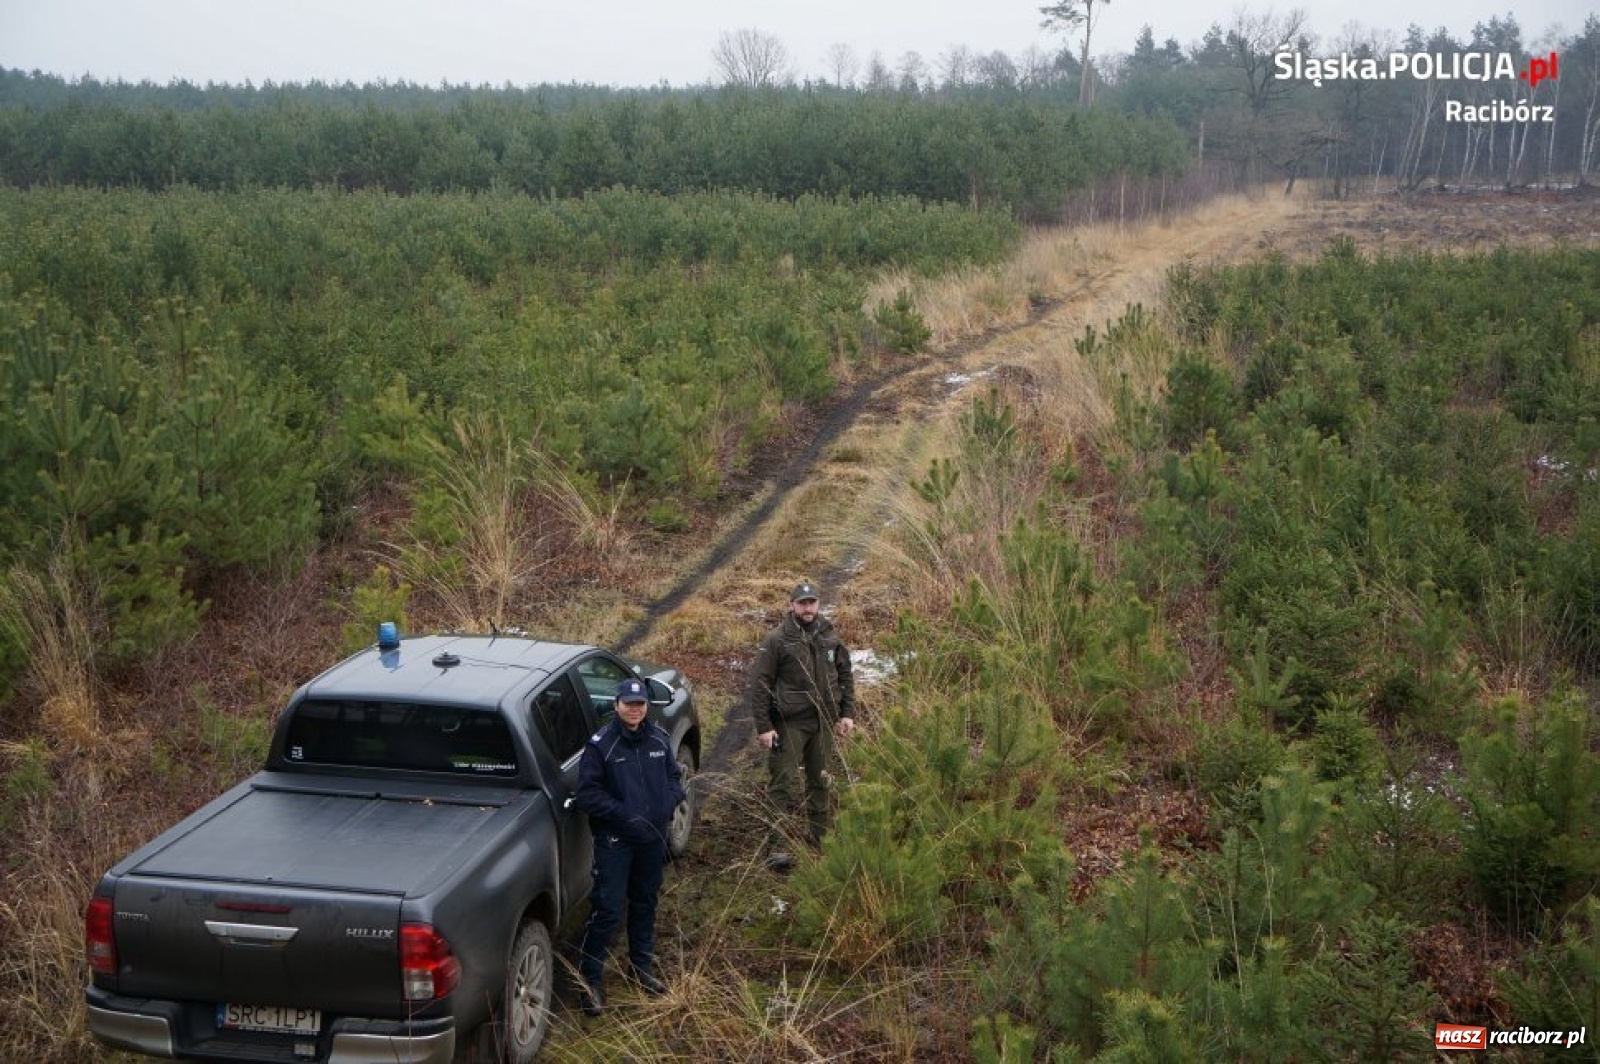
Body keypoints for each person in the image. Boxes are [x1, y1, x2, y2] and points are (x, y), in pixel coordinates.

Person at [574, 677, 686, 1016]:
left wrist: (666, 806)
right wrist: (625, 815)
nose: (634, 710)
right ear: (616, 705)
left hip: (652, 839)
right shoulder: (601, 745)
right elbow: (587, 794)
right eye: (628, 704)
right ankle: (589, 981)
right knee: (607, 910)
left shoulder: (658, 738)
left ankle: (641, 969)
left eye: (639, 705)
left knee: (645, 903)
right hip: (615, 841)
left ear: (646, 707)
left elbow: (674, 778)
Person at [746, 580, 856, 871]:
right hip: (789, 723)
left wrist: (847, 713)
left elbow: (846, 677)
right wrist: (764, 726)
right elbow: (760, 685)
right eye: (802, 603)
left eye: (812, 602)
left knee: (820, 781)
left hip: (824, 723)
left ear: (818, 604)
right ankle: (776, 847)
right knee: (783, 782)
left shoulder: (830, 636)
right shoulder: (777, 640)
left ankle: (820, 839)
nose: (807, 608)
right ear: (791, 605)